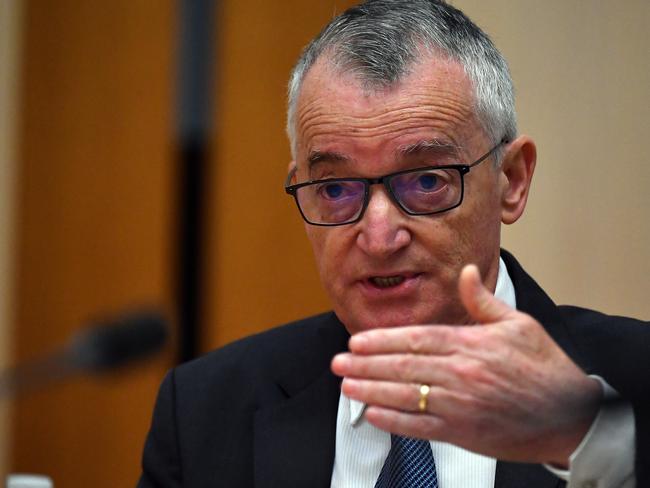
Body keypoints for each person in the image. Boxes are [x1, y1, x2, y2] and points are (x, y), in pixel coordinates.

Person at [138, 1, 649, 487]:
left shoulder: (632, 381)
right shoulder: (205, 411)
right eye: (335, 189)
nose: (380, 238)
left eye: (426, 181)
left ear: (511, 181)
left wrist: (587, 438)